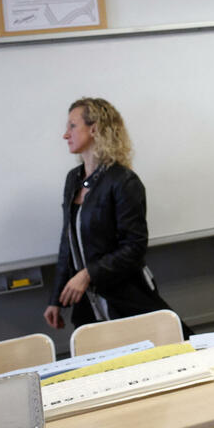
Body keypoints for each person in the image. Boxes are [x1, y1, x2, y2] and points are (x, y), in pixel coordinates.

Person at [43, 98, 187, 332]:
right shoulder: (73, 180)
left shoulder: (123, 181)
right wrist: (56, 298)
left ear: (94, 129)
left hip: (126, 298)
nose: (65, 135)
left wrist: (88, 275)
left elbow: (134, 247)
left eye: (72, 126)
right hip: (87, 304)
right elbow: (67, 241)